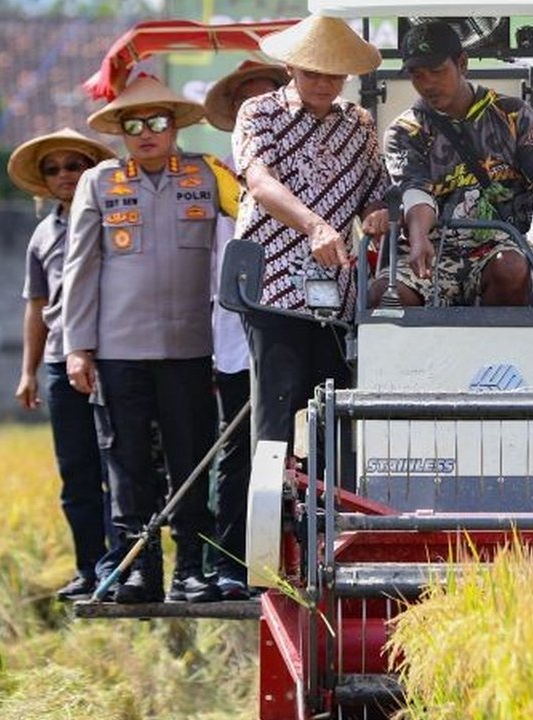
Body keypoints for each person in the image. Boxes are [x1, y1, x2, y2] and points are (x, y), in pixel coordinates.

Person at [62, 75, 240, 604]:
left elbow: (251, 218)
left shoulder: (207, 175)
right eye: (133, 124)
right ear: (120, 131)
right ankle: (139, 569)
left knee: (191, 461)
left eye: (157, 121)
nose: (145, 133)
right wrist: (77, 346)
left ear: (174, 125)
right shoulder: (99, 182)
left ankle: (190, 570)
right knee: (128, 464)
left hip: (189, 348)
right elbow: (80, 268)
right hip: (119, 350)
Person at [233, 14, 389, 450]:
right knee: (276, 411)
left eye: (334, 74)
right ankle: (274, 491)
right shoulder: (258, 112)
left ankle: (327, 493)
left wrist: (378, 214)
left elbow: (376, 192)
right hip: (273, 285)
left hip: (336, 292)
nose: (323, 83)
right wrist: (315, 226)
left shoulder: (359, 123)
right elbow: (260, 182)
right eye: (313, 72)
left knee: (333, 412)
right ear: (290, 68)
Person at [369, 21, 533, 308]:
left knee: (510, 267)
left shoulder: (513, 114)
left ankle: (502, 340)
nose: (428, 84)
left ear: (462, 64)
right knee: (384, 294)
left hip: (499, 243)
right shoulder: (404, 131)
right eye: (417, 75)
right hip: (430, 249)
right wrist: (419, 235)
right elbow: (415, 193)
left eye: (437, 71)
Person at [8, 128, 118, 601]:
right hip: (59, 360)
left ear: (91, 170)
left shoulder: (114, 218)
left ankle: (122, 566)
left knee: (120, 467)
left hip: (112, 353)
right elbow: (36, 306)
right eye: (53, 170)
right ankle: (89, 567)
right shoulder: (43, 234)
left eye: (74, 166)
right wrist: (28, 371)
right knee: (76, 471)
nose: (64, 176)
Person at [203, 59, 286, 600]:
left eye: (268, 100)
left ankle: (286, 561)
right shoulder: (212, 181)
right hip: (233, 335)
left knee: (295, 453)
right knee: (237, 451)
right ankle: (229, 562)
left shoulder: (310, 164)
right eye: (248, 103)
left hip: (296, 325)